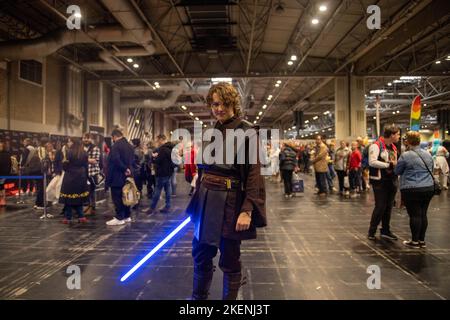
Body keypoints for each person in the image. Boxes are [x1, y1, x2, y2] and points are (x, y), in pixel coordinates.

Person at [186, 82, 266, 300]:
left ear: (233, 103)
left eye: (222, 104)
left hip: (230, 202)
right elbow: (203, 169)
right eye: (214, 104)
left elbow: (253, 174)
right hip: (205, 199)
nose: (218, 108)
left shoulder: (247, 131)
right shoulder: (212, 131)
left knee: (229, 258)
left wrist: (247, 210)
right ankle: (198, 300)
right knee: (201, 253)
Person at [394, 131, 435, 248]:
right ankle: (422, 240)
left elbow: (397, 171)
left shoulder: (405, 155)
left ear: (408, 141)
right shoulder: (428, 154)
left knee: (415, 215)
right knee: (423, 214)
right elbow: (432, 168)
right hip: (428, 188)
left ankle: (414, 241)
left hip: (412, 189)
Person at [368, 125, 400, 241]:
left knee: (388, 207)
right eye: (397, 134)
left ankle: (385, 230)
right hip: (379, 181)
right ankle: (372, 231)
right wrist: (388, 165)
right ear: (392, 135)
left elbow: (394, 162)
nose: (399, 136)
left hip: (391, 180)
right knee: (380, 206)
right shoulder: (376, 145)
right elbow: (372, 162)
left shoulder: (393, 147)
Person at [105, 129, 135, 226]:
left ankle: (119, 217)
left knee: (117, 197)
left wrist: (124, 168)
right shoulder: (129, 146)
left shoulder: (116, 146)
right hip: (127, 176)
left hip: (117, 175)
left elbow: (116, 160)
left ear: (114, 136)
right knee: (126, 196)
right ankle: (127, 215)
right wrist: (127, 169)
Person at [59, 138, 89, 224]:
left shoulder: (69, 152)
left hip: (70, 177)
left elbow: (64, 166)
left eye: (69, 141)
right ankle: (81, 216)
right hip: (81, 177)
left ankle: (68, 217)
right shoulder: (84, 153)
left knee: (69, 198)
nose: (68, 143)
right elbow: (86, 165)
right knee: (78, 197)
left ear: (73, 143)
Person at [145, 134, 175, 214]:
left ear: (161, 139)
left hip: (161, 173)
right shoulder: (171, 148)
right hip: (169, 172)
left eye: (158, 141)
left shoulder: (162, 149)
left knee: (157, 190)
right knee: (168, 189)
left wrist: (154, 157)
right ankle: (168, 206)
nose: (157, 142)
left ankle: (152, 208)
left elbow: (158, 161)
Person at [83, 133, 101, 215]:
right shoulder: (82, 148)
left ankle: (92, 207)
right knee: (86, 191)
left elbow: (95, 160)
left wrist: (82, 158)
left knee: (91, 191)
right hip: (83, 172)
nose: (86, 140)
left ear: (91, 139)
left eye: (88, 138)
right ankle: (89, 206)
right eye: (84, 138)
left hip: (92, 173)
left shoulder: (95, 148)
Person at [131, 138, 146, 208]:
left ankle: (137, 202)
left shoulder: (135, 151)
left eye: (132, 143)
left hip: (136, 171)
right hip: (140, 171)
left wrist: (136, 167)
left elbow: (133, 162)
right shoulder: (140, 150)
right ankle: (138, 200)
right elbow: (143, 160)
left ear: (134, 144)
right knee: (139, 187)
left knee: (136, 187)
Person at [0, 142, 12, 207]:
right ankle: (3, 200)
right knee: (1, 185)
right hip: (4, 173)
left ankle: (3, 200)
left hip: (3, 173)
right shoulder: (7, 154)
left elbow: (9, 164)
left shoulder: (6, 154)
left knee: (1, 185)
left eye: (1, 146)